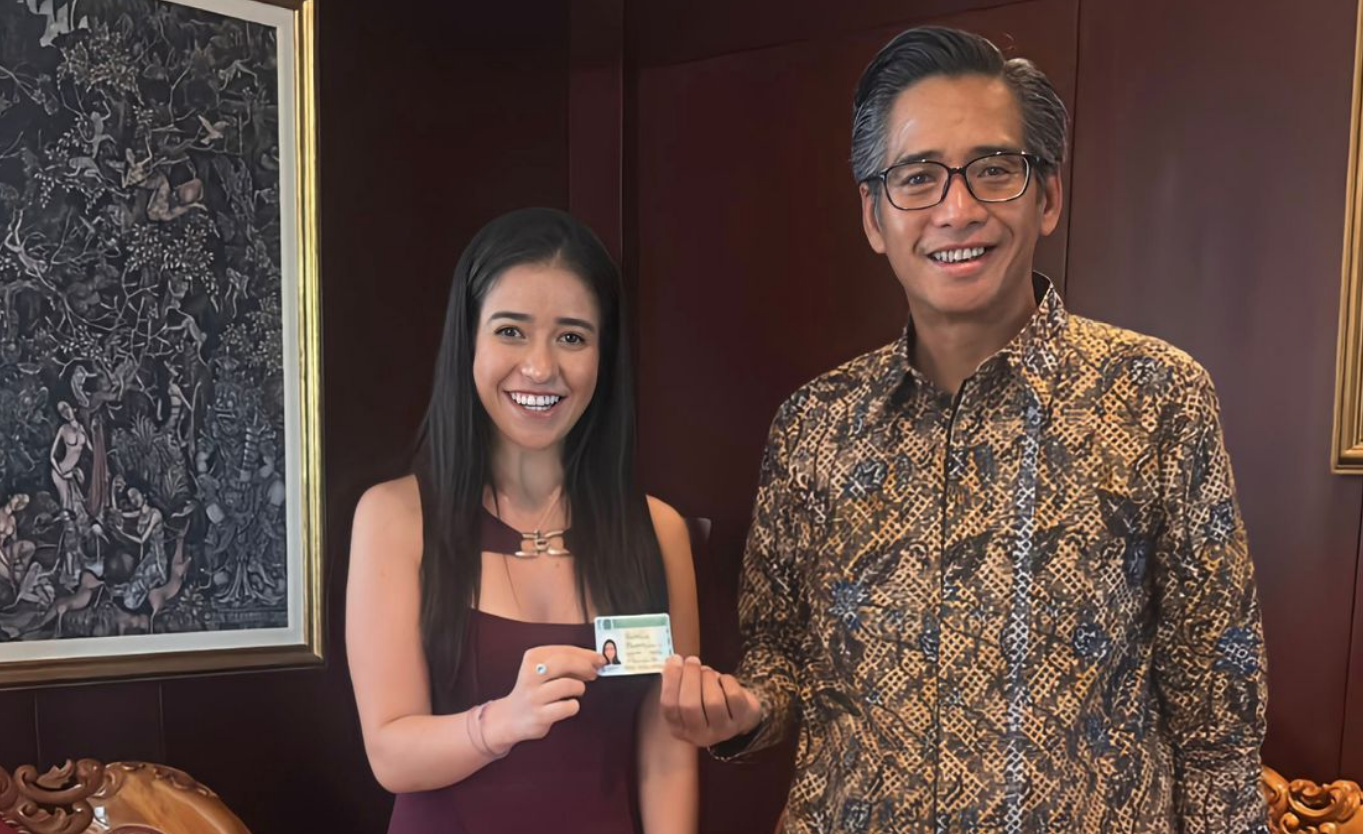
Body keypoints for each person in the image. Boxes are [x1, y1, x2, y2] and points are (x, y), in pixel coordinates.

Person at [659, 27, 1267, 834]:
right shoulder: (815, 424)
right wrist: (745, 712)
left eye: (993, 169)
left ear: (1047, 196)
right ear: (874, 217)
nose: (957, 209)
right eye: (917, 177)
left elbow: (1218, 709)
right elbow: (783, 659)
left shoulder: (1156, 398)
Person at [348, 208, 699, 834]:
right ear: (469, 341)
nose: (540, 368)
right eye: (511, 331)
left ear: (604, 355)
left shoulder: (658, 531)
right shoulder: (393, 518)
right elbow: (390, 754)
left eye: (572, 337)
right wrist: (503, 722)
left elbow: (668, 753)